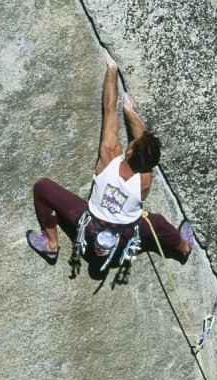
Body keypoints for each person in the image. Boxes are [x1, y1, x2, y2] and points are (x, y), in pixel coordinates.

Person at [26, 51, 193, 267]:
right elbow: (142, 139)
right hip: (123, 237)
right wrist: (132, 114)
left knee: (43, 188)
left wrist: (112, 71)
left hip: (89, 229)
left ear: (130, 151)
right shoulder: (144, 182)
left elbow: (108, 109)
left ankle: (51, 245)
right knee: (158, 223)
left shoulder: (109, 157)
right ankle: (184, 248)